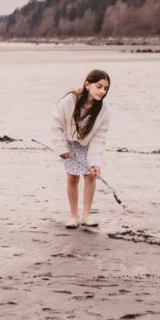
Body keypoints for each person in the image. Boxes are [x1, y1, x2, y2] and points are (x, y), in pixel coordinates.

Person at [51, 69, 112, 228]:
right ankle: (73, 216)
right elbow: (56, 125)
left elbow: (100, 137)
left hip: (89, 144)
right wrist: (61, 148)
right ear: (87, 85)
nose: (102, 91)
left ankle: (86, 215)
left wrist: (95, 162)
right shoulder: (69, 101)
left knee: (90, 176)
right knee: (72, 177)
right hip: (70, 143)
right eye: (99, 86)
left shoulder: (105, 110)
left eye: (106, 88)